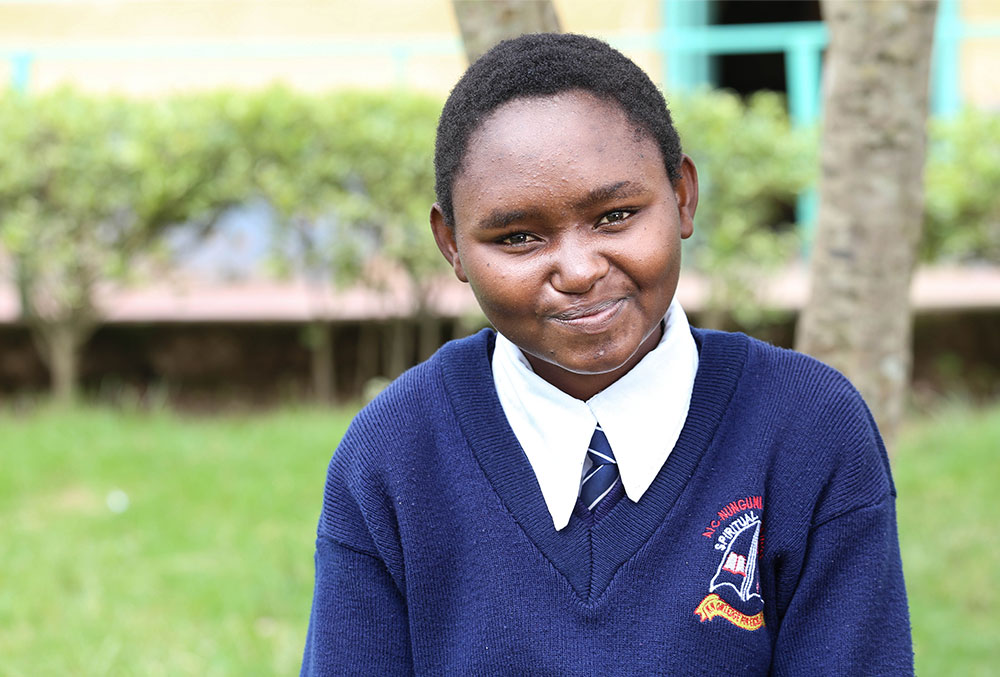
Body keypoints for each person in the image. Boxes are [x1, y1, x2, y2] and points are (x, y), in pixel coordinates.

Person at [300, 33, 912, 676]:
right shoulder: (394, 454)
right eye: (519, 237)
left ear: (681, 196)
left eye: (616, 216)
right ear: (451, 245)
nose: (579, 270)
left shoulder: (807, 428)